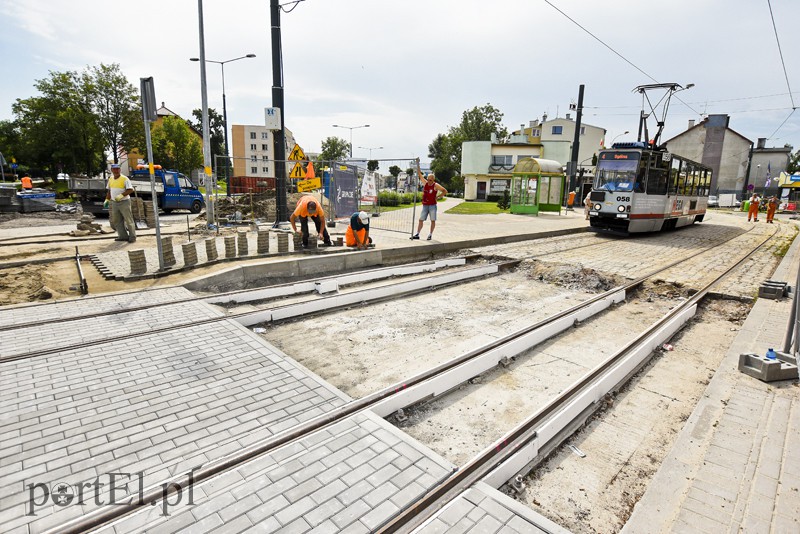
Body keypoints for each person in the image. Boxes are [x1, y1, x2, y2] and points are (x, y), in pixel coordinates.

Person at [411, 169, 447, 241]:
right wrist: (418, 167)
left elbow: (445, 191)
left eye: (430, 180)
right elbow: (420, 176)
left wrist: (438, 197)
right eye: (428, 179)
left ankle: (430, 234)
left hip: (432, 205)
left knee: (432, 220)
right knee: (421, 219)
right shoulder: (426, 183)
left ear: (433, 180)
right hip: (425, 205)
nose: (429, 181)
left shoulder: (435, 185)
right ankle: (417, 234)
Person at [105, 164, 136, 242]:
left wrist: (121, 195)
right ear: (112, 170)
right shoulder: (111, 179)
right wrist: (107, 200)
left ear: (120, 170)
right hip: (114, 202)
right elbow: (109, 190)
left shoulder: (125, 179)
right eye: (114, 169)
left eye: (117, 169)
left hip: (124, 202)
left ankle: (132, 237)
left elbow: (130, 190)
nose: (116, 171)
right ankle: (122, 236)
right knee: (117, 220)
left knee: (128, 220)